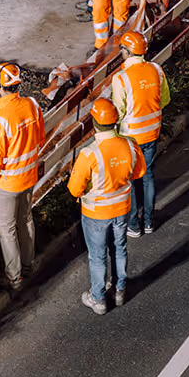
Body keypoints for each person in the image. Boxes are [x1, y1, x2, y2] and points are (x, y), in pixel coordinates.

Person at [0, 63, 45, 292]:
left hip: (6, 185)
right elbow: (40, 137)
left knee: (8, 230)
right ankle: (28, 265)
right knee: (26, 220)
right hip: (29, 176)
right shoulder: (33, 106)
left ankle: (14, 277)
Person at [69, 98, 138, 314]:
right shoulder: (129, 144)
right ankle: (119, 291)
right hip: (122, 209)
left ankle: (98, 299)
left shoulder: (89, 154)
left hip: (96, 213)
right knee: (119, 248)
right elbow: (138, 172)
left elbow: (74, 189)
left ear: (94, 123)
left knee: (97, 255)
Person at [108, 30, 170, 235]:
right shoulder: (156, 70)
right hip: (152, 132)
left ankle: (133, 224)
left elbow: (118, 111)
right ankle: (149, 222)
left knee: (131, 179)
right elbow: (164, 100)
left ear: (125, 51)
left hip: (130, 136)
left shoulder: (121, 78)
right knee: (148, 175)